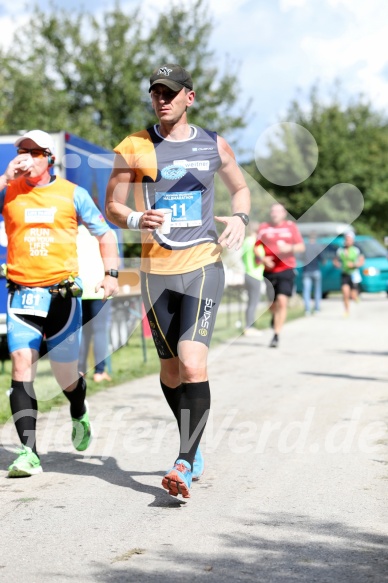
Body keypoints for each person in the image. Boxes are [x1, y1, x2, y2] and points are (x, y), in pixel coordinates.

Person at [105, 64, 251, 499]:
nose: (162, 99)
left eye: (170, 91)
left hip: (204, 265)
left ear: (190, 96)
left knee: (192, 363)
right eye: (155, 92)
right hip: (156, 273)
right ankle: (193, 439)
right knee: (170, 373)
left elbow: (240, 188)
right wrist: (134, 217)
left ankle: (184, 462)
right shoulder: (134, 146)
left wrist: (241, 217)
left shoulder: (213, 144)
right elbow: (112, 204)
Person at [0, 129, 119, 477]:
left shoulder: (72, 194)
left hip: (62, 299)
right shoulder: (9, 191)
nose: (26, 157)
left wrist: (111, 273)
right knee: (22, 367)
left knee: (67, 379)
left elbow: (105, 233)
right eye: (22, 150)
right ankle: (28, 453)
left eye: (35, 151)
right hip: (22, 295)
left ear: (50, 158)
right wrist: (5, 178)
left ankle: (79, 412)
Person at [255, 203, 305, 348]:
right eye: (272, 211)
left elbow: (301, 246)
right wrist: (262, 258)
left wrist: (290, 247)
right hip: (269, 270)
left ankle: (276, 335)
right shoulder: (264, 227)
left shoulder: (291, 227)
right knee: (272, 303)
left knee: (282, 301)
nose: (274, 214)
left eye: (277, 211)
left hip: (286, 268)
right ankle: (273, 316)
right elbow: (257, 246)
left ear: (284, 213)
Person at [77, 224, 116, 383]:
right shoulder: (107, 232)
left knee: (82, 332)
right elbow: (114, 262)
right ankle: (99, 372)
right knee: (100, 331)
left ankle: (79, 371)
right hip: (101, 287)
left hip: (78, 288)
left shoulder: (73, 231)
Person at [333, 231, 364, 316]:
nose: (348, 241)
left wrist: (354, 264)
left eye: (349, 239)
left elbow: (361, 262)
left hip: (354, 274)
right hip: (345, 274)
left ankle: (355, 296)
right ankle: (346, 311)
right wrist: (337, 264)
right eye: (346, 239)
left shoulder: (356, 250)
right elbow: (335, 260)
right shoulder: (340, 250)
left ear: (352, 240)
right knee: (345, 293)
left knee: (353, 295)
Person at [241, 222, 264, 335]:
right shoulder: (256, 242)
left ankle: (248, 326)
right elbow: (259, 258)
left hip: (247, 273)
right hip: (255, 274)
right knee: (253, 302)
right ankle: (250, 327)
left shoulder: (246, 241)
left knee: (250, 302)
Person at [302, 231, 324, 316]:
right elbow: (322, 259)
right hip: (316, 270)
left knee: (306, 291)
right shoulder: (318, 246)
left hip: (306, 271)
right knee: (317, 290)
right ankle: (317, 309)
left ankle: (307, 310)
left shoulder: (305, 246)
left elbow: (301, 258)